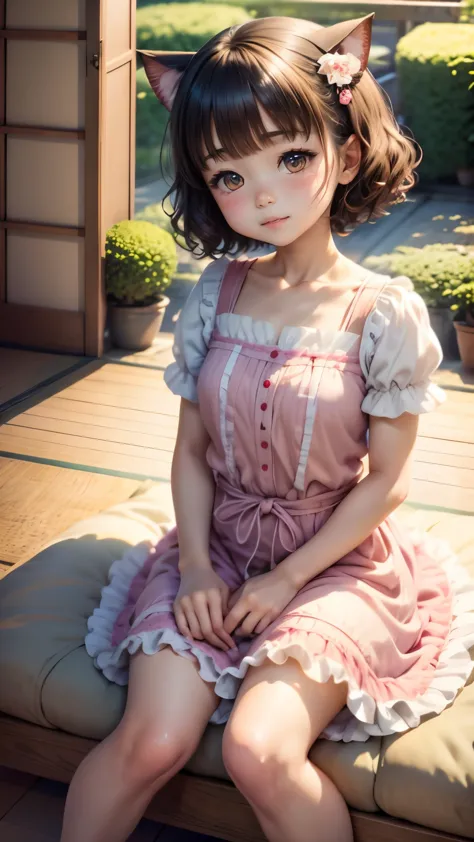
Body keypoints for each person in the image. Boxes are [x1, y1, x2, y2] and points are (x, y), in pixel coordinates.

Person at [61, 13, 474, 842]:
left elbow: (388, 483)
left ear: (345, 154)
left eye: (292, 158)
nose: (264, 196)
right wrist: (200, 566)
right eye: (228, 176)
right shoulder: (215, 292)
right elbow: (189, 451)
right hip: (217, 548)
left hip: (336, 564)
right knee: (151, 740)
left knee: (259, 748)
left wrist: (287, 580)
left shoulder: (382, 313)